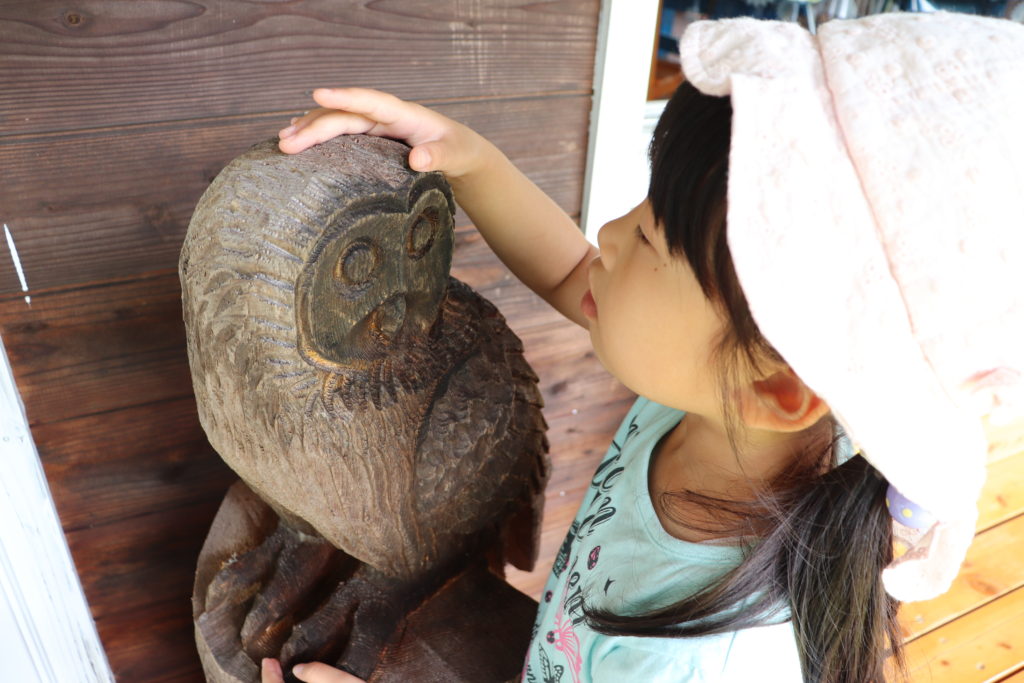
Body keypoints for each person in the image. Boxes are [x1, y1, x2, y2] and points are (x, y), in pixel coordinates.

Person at [260, 11, 1024, 683]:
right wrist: (465, 155)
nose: (614, 233)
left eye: (655, 237)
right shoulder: (738, 394)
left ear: (779, 390)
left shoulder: (700, 661)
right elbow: (572, 270)